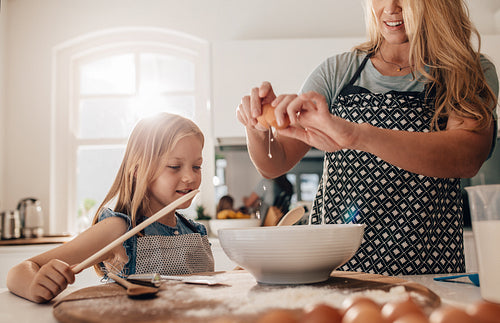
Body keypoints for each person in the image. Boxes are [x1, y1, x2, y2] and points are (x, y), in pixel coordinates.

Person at [236, 0, 498, 276]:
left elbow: (466, 155)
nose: (391, 7)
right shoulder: (338, 71)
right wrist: (257, 128)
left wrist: (357, 135)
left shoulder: (467, 71)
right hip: (335, 270)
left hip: (426, 271)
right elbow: (273, 164)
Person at [6, 113, 214, 303]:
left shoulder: (194, 231)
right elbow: (19, 272)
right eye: (174, 167)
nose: (190, 177)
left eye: (197, 166)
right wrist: (34, 285)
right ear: (138, 170)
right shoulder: (118, 230)